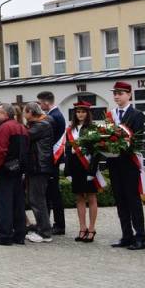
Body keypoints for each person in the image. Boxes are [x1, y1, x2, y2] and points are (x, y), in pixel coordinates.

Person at [105, 81, 145, 250]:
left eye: (120, 93)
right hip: (114, 162)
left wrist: (122, 144)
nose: (116, 96)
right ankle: (127, 235)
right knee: (120, 200)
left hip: (129, 162)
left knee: (133, 200)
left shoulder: (137, 114)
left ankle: (140, 237)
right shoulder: (111, 114)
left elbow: (138, 138)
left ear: (129, 94)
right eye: (115, 93)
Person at [0, 103, 29, 246]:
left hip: (4, 170)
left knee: (3, 203)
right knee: (18, 203)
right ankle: (19, 235)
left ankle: (5, 235)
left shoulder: (4, 128)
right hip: (17, 170)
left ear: (5, 114)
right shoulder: (21, 127)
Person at [63, 101, 99, 243]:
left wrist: (92, 171)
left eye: (83, 111)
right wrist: (67, 171)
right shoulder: (70, 129)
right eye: (78, 112)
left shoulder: (93, 128)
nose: (80, 114)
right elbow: (67, 150)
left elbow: (96, 151)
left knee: (91, 197)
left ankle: (92, 228)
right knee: (79, 197)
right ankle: (82, 228)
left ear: (88, 113)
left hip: (88, 166)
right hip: (75, 166)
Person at [23, 102, 54, 243]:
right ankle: (42, 228)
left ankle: (45, 232)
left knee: (37, 199)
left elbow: (24, 136)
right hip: (35, 167)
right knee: (34, 199)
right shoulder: (38, 124)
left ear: (30, 112)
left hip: (39, 167)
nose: (24, 115)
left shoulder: (42, 125)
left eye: (25, 112)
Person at [37, 91, 66, 235]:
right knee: (49, 193)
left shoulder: (54, 116)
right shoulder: (54, 114)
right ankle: (47, 222)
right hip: (51, 158)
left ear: (46, 102)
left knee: (54, 194)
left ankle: (59, 225)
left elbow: (49, 139)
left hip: (52, 158)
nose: (40, 106)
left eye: (40, 103)